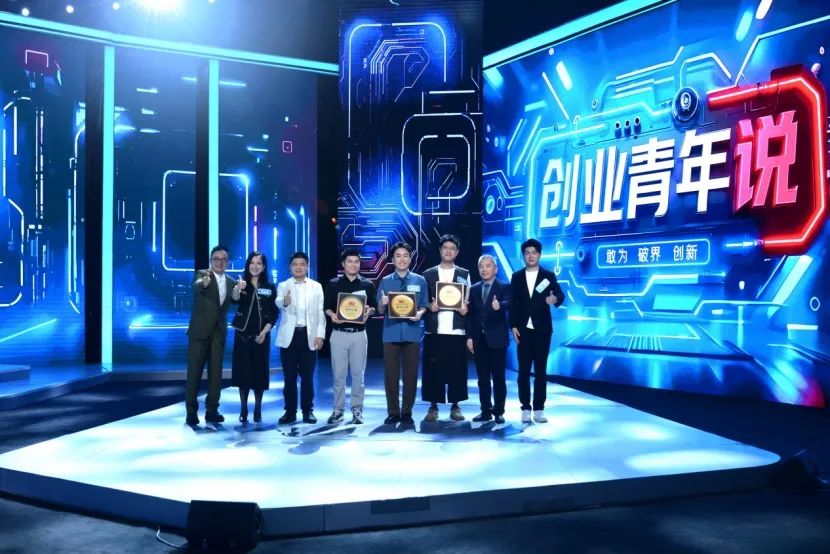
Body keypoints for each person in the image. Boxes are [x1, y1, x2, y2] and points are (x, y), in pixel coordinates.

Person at [185, 245, 244, 425]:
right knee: (194, 373)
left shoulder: (231, 281)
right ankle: (191, 412)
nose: (220, 262)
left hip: (219, 333)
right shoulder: (202, 274)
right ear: (211, 261)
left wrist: (238, 290)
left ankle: (212, 410)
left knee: (216, 374)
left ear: (228, 262)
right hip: (199, 332)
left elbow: (235, 299)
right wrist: (204, 283)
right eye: (216, 259)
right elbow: (197, 287)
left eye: (224, 259)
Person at [509, 238, 565, 423]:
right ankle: (525, 407)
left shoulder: (548, 276)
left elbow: (560, 294)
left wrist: (555, 300)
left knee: (540, 371)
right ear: (523, 256)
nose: (531, 256)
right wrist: (513, 326)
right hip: (523, 330)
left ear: (540, 255)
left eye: (534, 253)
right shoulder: (517, 276)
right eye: (527, 253)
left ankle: (539, 408)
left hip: (543, 330)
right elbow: (513, 303)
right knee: (523, 371)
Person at [376, 241, 428, 425]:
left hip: (412, 333)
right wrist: (382, 302)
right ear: (392, 259)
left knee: (411, 375)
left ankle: (407, 411)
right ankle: (393, 411)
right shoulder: (386, 281)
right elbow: (380, 310)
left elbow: (424, 305)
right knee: (391, 376)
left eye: (405, 255)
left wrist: (420, 313)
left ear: (410, 258)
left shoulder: (419, 280)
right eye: (398, 256)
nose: (402, 259)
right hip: (391, 333)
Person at [324, 248, 377, 425]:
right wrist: (332, 315)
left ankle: (357, 409)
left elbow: (374, 306)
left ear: (360, 264)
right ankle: (338, 410)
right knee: (338, 375)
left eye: (356, 262)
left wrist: (369, 310)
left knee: (358, 375)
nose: (353, 265)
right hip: (338, 334)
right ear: (343, 264)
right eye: (350, 261)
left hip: (359, 334)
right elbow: (327, 307)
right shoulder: (333, 284)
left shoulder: (367, 284)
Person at [422, 234, 471, 422]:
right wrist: (430, 306)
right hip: (434, 329)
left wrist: (465, 309)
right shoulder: (428, 274)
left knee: (457, 370)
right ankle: (433, 407)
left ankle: (455, 406)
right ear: (440, 250)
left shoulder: (464, 274)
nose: (448, 251)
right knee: (433, 370)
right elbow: (422, 301)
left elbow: (467, 300)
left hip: (456, 330)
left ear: (457, 252)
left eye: (452, 248)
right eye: (445, 247)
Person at [275, 252, 326, 424]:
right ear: (290, 267)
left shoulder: (316, 286)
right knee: (289, 377)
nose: (298, 267)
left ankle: (307, 411)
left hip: (308, 335)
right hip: (289, 337)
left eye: (302, 264)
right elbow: (278, 302)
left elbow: (320, 312)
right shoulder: (283, 285)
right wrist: (285, 301)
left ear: (307, 266)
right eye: (295, 264)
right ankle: (289, 411)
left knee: (307, 377)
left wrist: (320, 335)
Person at [230, 251, 278, 424]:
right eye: (252, 262)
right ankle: (243, 408)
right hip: (242, 335)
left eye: (259, 263)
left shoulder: (270, 287)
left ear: (263, 267)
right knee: (243, 373)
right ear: (248, 265)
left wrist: (265, 332)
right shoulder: (241, 283)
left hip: (261, 335)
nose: (255, 266)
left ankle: (258, 408)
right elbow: (234, 299)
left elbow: (274, 313)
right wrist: (238, 288)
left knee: (259, 373)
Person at [465, 254, 511, 424]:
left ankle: (498, 411)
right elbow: (471, 316)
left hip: (497, 339)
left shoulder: (504, 286)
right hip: (479, 339)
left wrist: (501, 306)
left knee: (498, 378)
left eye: (488, 266)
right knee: (483, 379)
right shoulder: (474, 289)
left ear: (495, 269)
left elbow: (510, 302)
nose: (484, 269)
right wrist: (469, 336)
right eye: (481, 266)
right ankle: (485, 411)